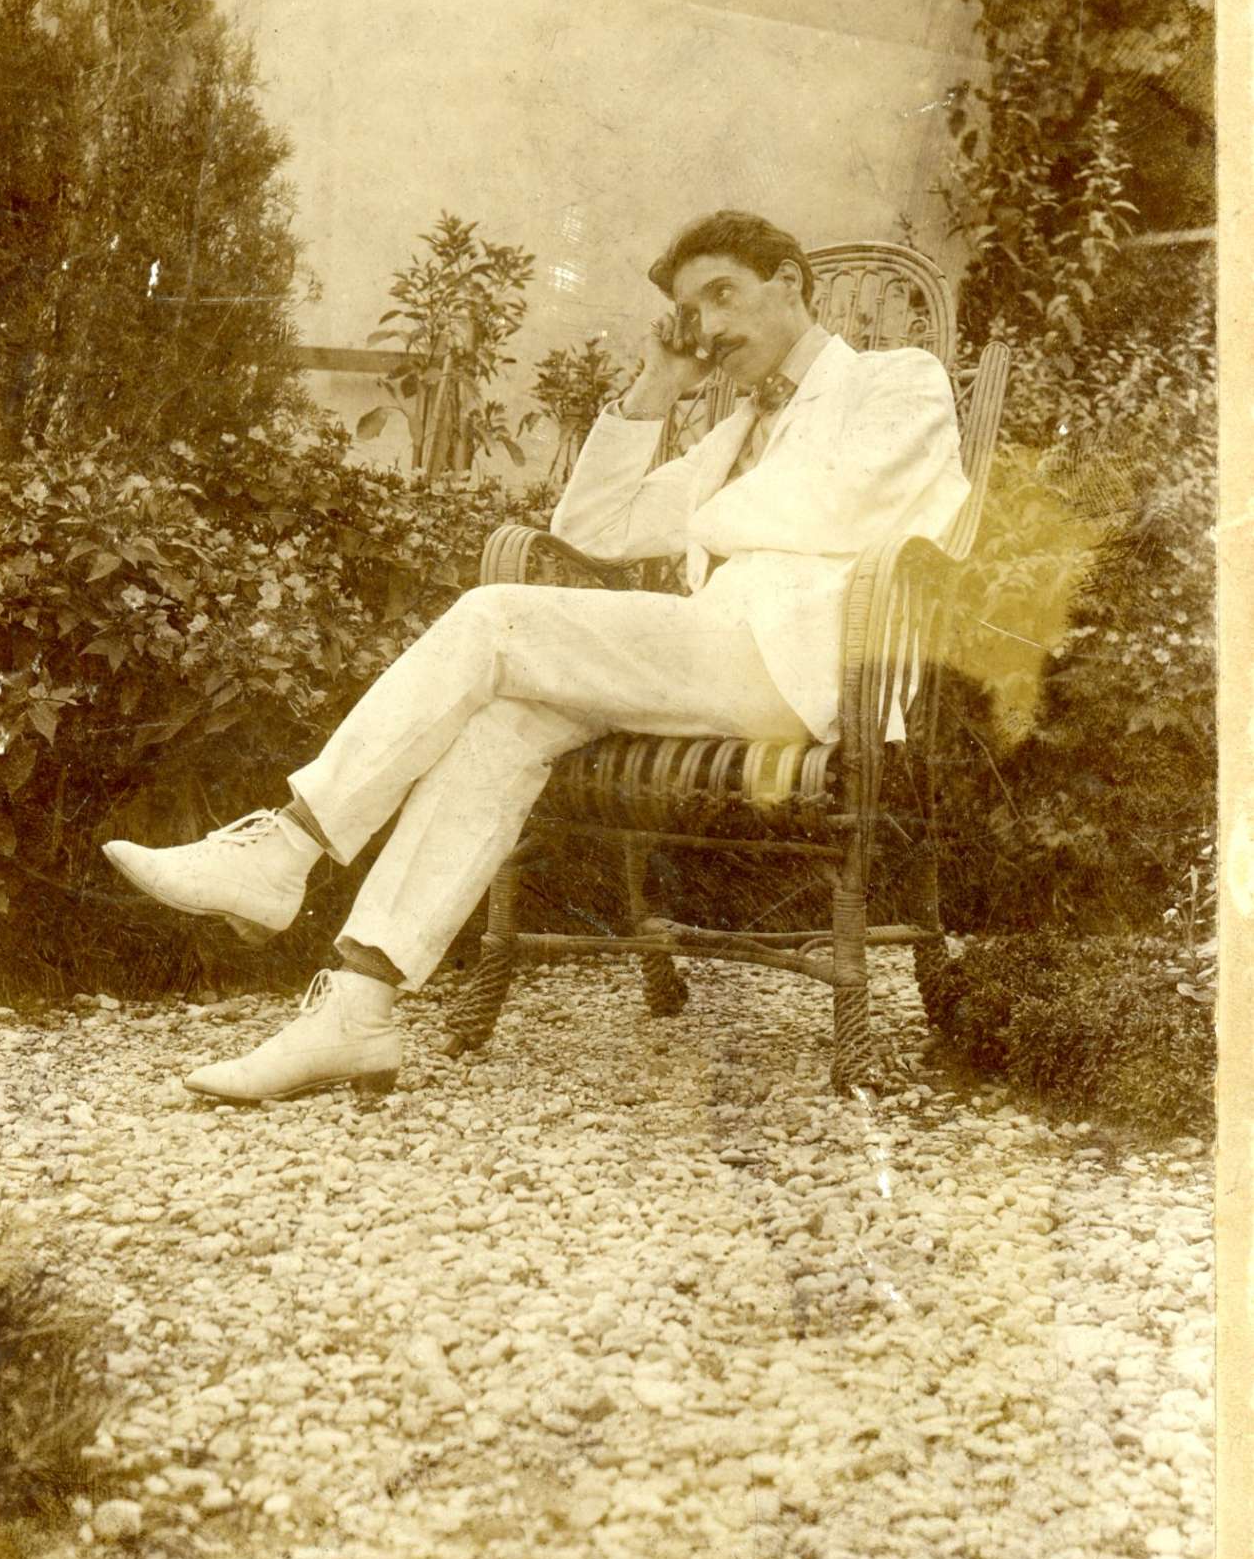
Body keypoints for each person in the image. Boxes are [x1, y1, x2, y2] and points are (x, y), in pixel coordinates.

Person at [103, 211, 969, 1103]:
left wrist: (699, 517)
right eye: (691, 309)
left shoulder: (895, 380)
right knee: (504, 725)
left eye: (724, 295)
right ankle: (356, 1010)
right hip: (711, 660)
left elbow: (848, 502)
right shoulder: (730, 437)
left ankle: (286, 848)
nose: (708, 326)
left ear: (789, 282)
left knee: (493, 618)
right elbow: (591, 527)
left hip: (811, 665)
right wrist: (655, 388)